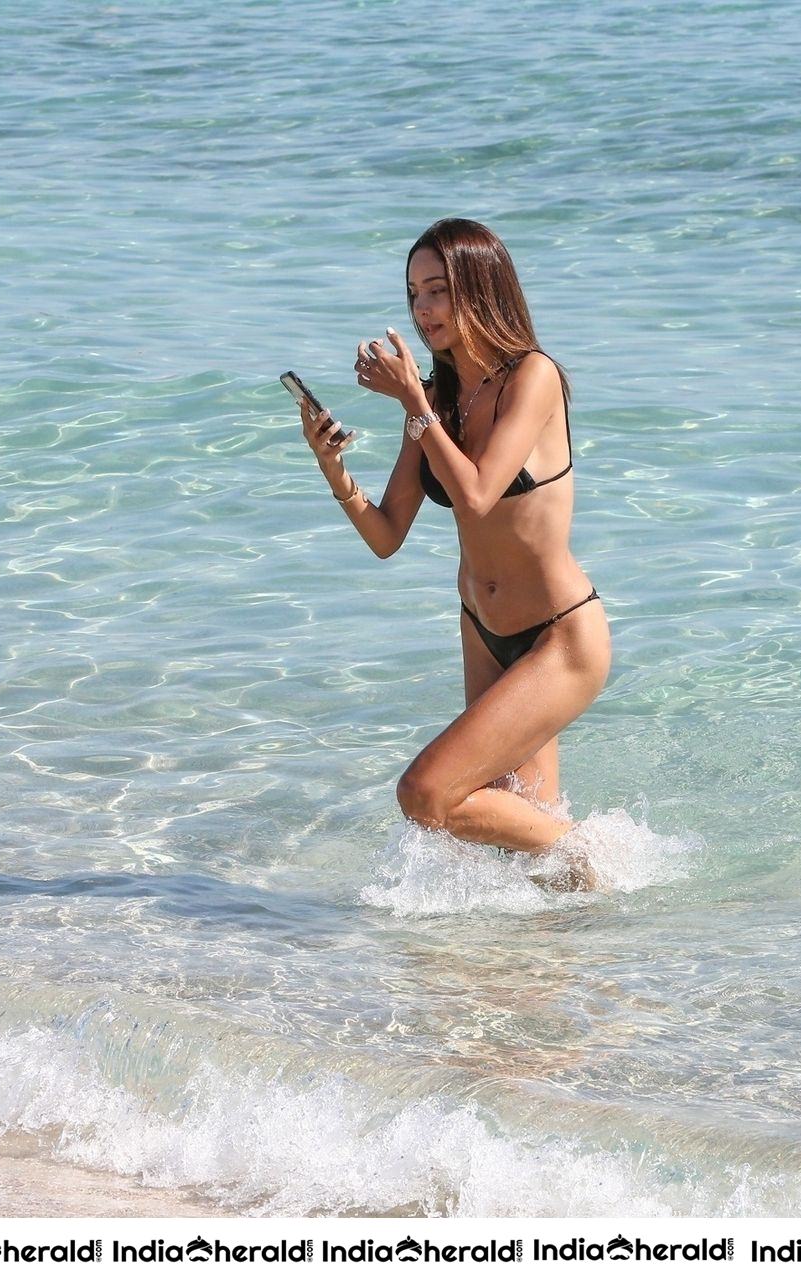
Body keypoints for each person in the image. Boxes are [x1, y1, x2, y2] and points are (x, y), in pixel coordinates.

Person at [297, 218, 611, 888]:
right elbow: (386, 535)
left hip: (559, 638)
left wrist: (414, 403)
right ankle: (543, 973)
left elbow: (476, 496)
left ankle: (597, 853)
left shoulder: (534, 377)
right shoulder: (440, 399)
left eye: (438, 291)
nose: (424, 310)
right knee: (531, 864)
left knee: (428, 794)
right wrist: (330, 466)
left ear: (480, 289)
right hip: (483, 631)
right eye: (414, 294)